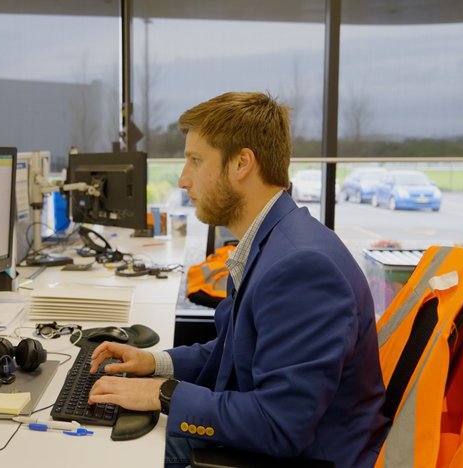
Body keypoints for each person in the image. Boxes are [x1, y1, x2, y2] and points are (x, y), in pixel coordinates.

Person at [89, 92, 389, 467]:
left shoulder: (302, 267)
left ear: (242, 163)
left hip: (302, 456)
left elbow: (280, 425)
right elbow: (231, 353)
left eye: (196, 161)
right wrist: (153, 362)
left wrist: (163, 394)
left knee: (104, 455)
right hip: (274, 440)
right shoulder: (270, 241)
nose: (183, 180)